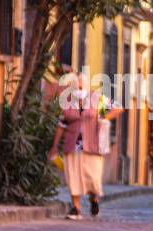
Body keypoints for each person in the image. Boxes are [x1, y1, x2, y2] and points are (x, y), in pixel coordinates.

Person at [48, 71, 125, 220]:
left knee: (93, 177)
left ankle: (93, 199)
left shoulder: (97, 98)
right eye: (77, 86)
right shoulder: (68, 101)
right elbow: (61, 125)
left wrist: (104, 117)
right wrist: (55, 146)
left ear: (87, 86)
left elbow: (119, 107)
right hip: (72, 145)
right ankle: (76, 209)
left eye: (82, 85)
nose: (79, 88)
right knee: (73, 176)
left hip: (92, 146)